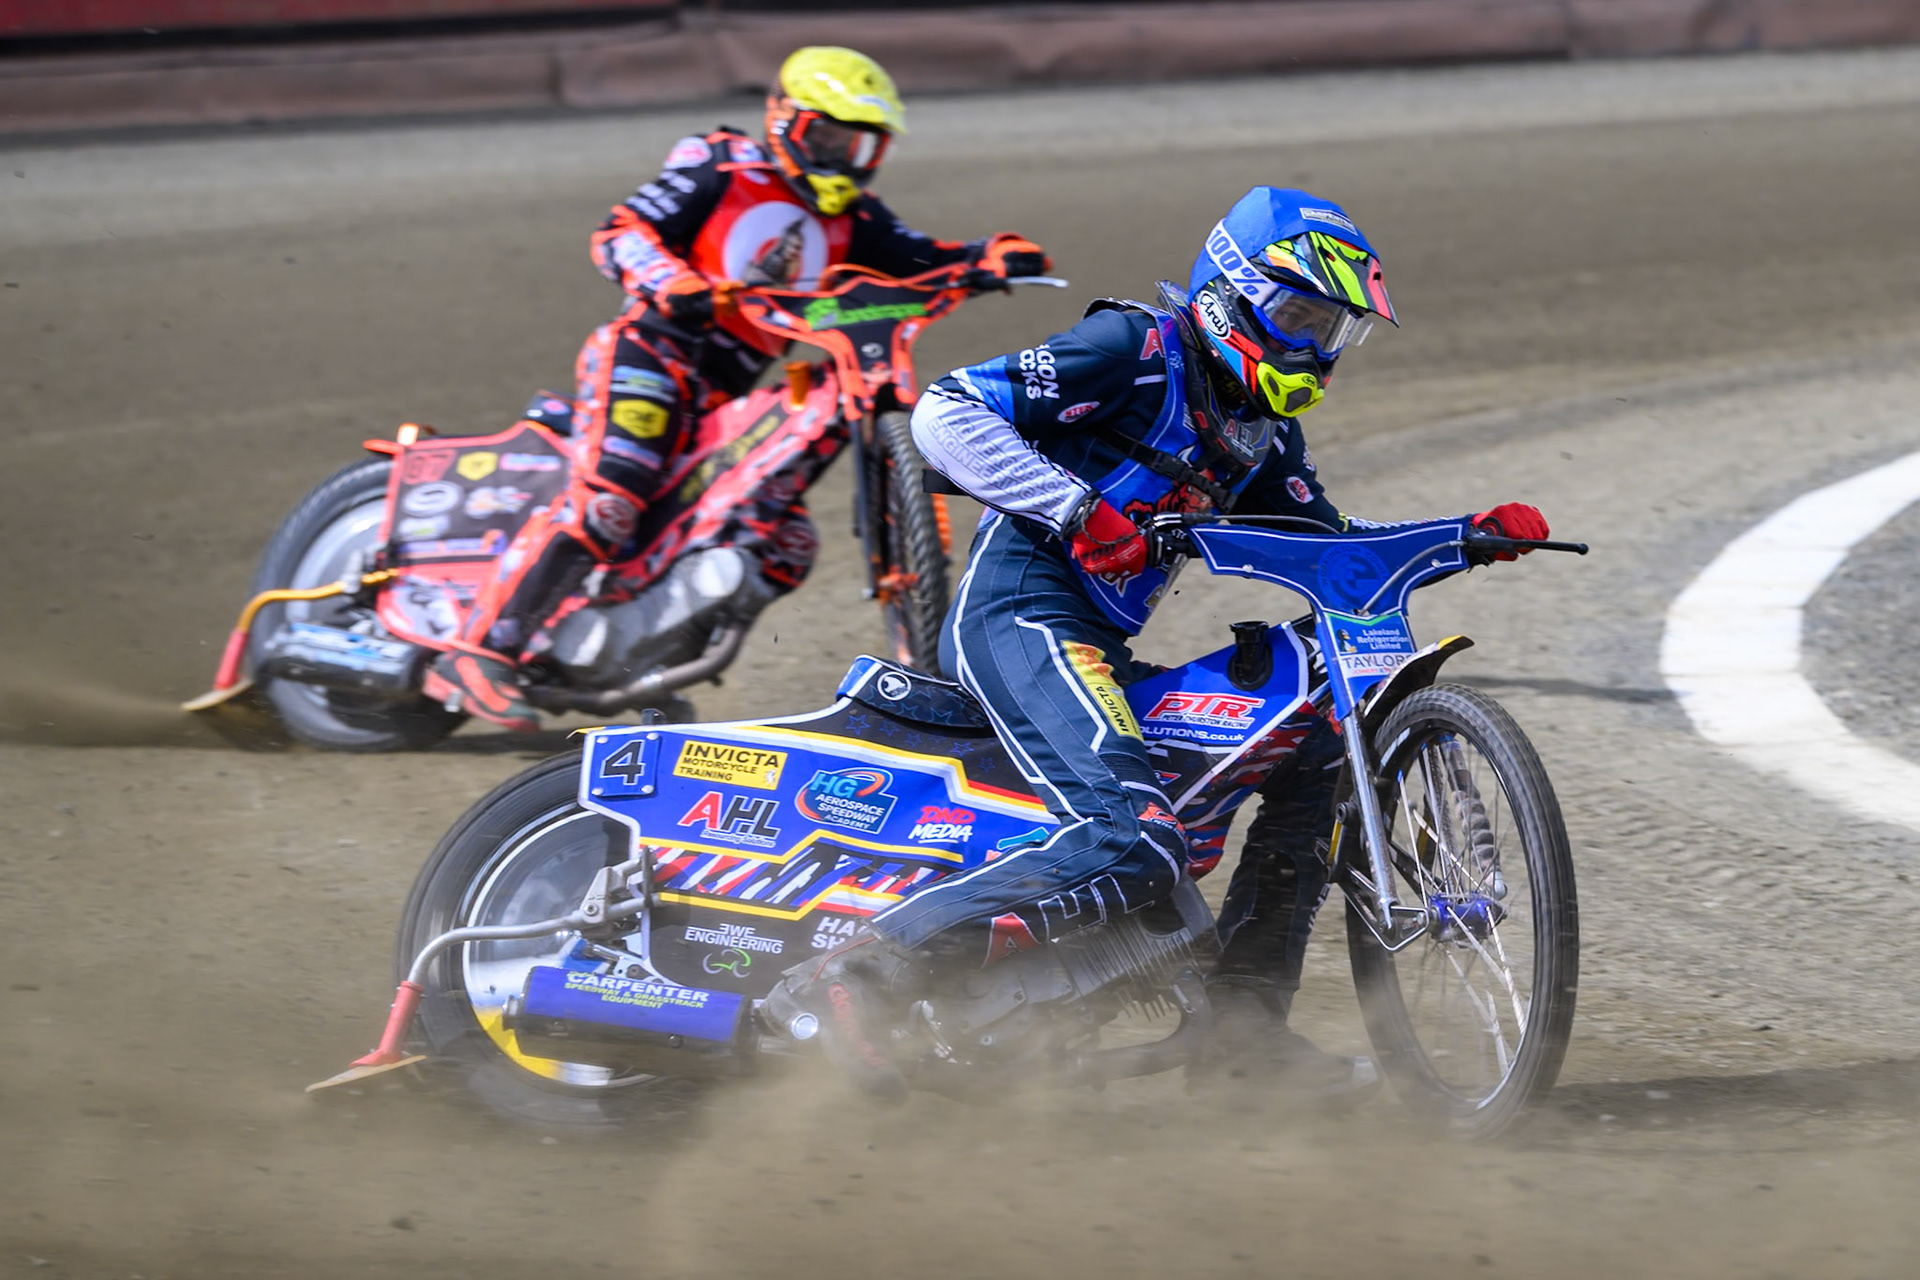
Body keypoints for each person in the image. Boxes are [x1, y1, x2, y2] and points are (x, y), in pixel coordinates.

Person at [771, 186, 1548, 1099]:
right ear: (1231, 294)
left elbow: (1331, 547)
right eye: (1298, 317)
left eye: (1331, 329)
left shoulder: (1262, 434)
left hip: (1094, 647)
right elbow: (945, 412)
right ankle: (866, 971)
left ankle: (1242, 1038)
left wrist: (1460, 536)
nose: (1312, 348)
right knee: (1136, 840)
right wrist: (1077, 510)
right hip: (1020, 615)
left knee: (1320, 742)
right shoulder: (1135, 351)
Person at [424, 45, 1050, 729]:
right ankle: (478, 650)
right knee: (614, 495)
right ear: (783, 119)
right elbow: (622, 231)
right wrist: (672, 282)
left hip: (723, 397)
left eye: (860, 145)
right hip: (652, 356)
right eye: (828, 137)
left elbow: (920, 257)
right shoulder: (722, 166)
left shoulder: (853, 218)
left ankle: (627, 666)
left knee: (779, 541)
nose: (841, 158)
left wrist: (988, 257)